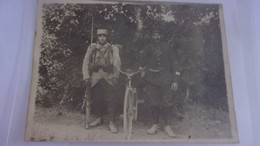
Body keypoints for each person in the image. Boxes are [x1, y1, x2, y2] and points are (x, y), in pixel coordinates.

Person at [140, 29, 181, 138]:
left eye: (158, 34)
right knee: (154, 102)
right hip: (152, 79)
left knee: (167, 102)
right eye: (154, 34)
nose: (156, 37)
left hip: (166, 79)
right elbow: (142, 62)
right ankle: (155, 125)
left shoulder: (168, 47)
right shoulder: (148, 48)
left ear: (161, 35)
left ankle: (167, 126)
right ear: (152, 36)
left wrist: (175, 80)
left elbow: (175, 64)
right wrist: (142, 71)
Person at [82, 29, 121, 133]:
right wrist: (86, 76)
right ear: (97, 37)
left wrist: (116, 76)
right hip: (95, 77)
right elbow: (85, 62)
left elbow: (117, 63)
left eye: (104, 36)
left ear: (107, 37)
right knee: (97, 99)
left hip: (109, 77)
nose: (102, 38)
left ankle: (111, 122)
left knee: (110, 100)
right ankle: (99, 118)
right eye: (100, 36)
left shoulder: (113, 48)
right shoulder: (92, 47)